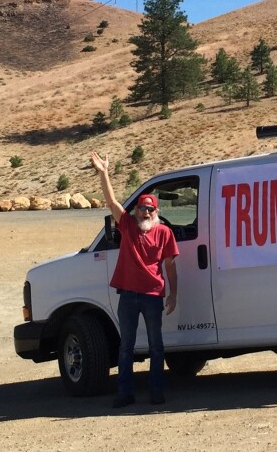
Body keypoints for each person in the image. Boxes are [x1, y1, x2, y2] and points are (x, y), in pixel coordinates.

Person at [90, 152, 179, 407]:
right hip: (128, 296)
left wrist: (173, 294)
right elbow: (111, 201)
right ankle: (125, 393)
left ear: (156, 211)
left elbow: (170, 266)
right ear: (136, 210)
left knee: (156, 347)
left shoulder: (164, 233)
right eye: (142, 208)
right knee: (126, 346)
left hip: (152, 296)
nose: (146, 212)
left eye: (150, 209)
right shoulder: (127, 225)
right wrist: (104, 172)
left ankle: (156, 392)